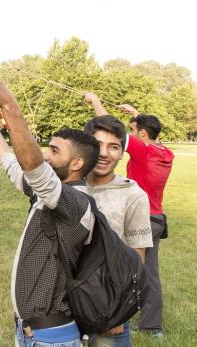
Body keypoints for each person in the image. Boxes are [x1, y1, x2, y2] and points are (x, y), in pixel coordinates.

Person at [0, 78, 99, 347]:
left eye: (54, 151)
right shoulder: (47, 194)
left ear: (77, 163)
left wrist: (9, 105)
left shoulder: (78, 204)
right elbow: (6, 158)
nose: (46, 155)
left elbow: (35, 167)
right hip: (32, 334)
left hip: (52, 339)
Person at [85, 93, 174, 337]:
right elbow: (147, 131)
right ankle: (152, 325)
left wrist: (95, 101)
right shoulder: (164, 152)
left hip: (136, 215)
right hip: (157, 218)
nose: (131, 136)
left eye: (134, 131)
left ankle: (117, 316)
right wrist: (137, 115)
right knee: (150, 272)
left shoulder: (142, 151)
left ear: (142, 134)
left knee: (122, 267)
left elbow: (109, 130)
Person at [82, 115, 153, 346]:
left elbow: (137, 259)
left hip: (108, 309)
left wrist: (119, 312)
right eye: (97, 145)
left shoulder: (133, 195)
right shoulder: (69, 186)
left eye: (113, 147)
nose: (104, 153)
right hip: (67, 308)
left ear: (122, 152)